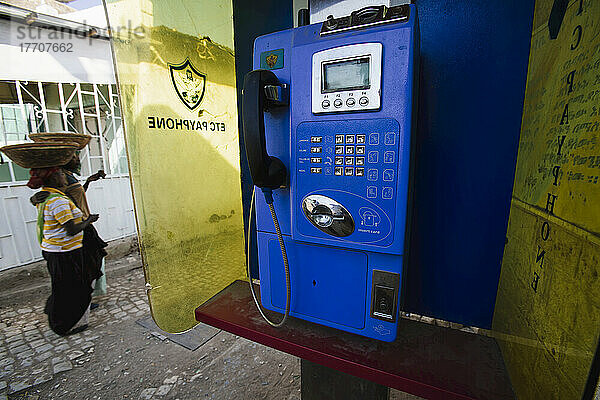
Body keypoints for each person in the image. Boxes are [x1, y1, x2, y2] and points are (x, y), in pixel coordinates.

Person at [28, 167, 99, 335]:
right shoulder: (57, 200)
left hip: (60, 250)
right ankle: (62, 324)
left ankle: (58, 314)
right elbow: (71, 230)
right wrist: (88, 220)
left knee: (64, 286)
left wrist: (88, 181)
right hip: (63, 251)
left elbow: (76, 193)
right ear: (52, 178)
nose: (64, 176)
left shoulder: (51, 195)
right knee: (69, 287)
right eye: (60, 174)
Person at [62, 153, 107, 301]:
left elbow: (75, 197)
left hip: (85, 223)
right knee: (89, 263)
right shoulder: (61, 178)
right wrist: (87, 221)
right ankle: (84, 298)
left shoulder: (69, 176)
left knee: (93, 261)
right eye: (73, 157)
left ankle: (88, 296)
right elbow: (62, 200)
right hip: (80, 225)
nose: (77, 159)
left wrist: (87, 182)